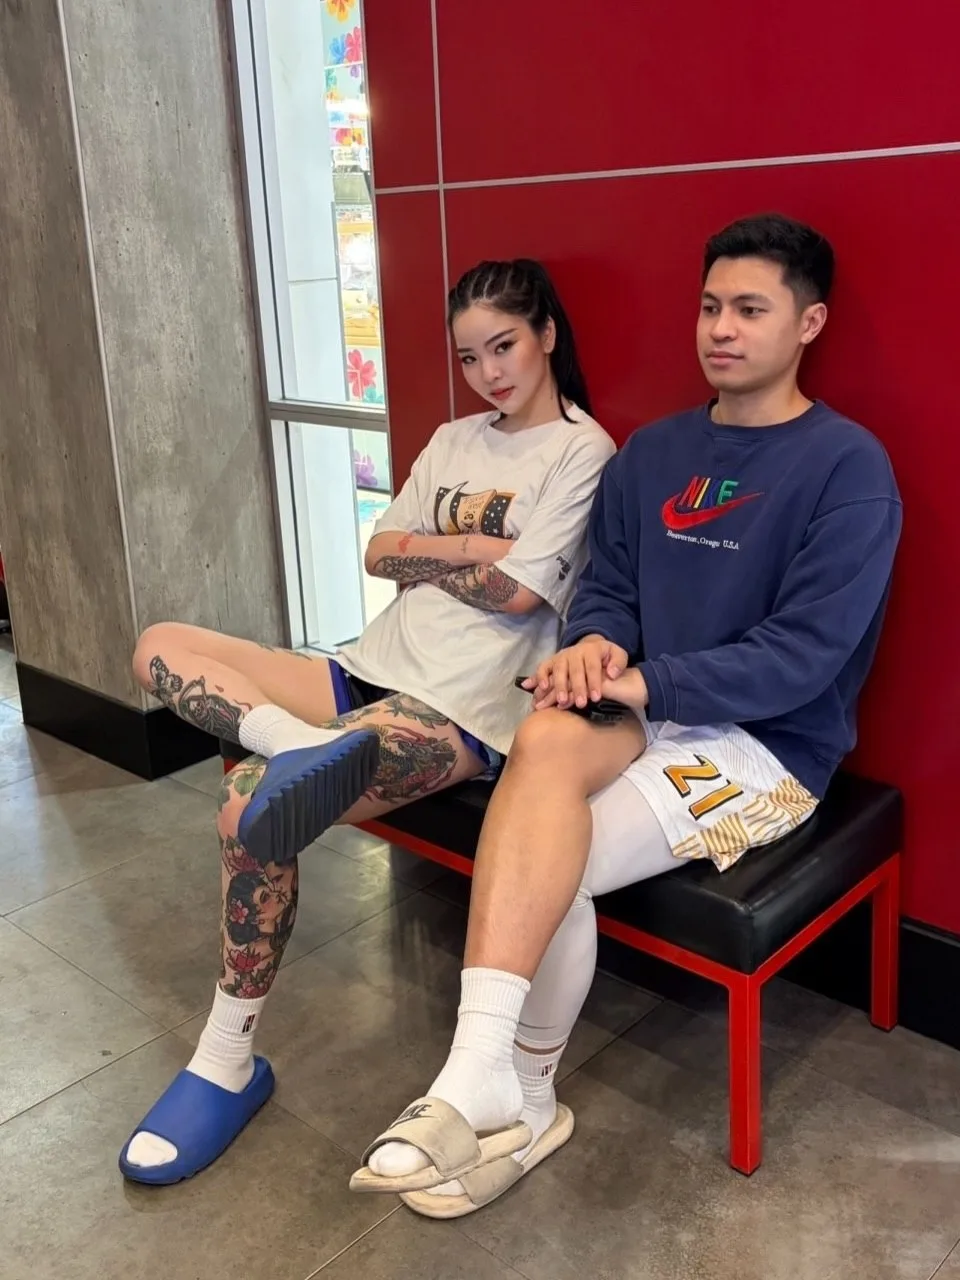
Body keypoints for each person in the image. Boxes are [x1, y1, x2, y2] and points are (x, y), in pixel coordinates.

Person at [353, 214, 902, 1218]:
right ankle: (488, 1078)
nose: (720, 328)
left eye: (750, 309)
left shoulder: (848, 467)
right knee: (544, 741)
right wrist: (597, 644)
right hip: (646, 701)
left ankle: (519, 1097)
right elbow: (608, 586)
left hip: (766, 749)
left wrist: (644, 683)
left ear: (808, 322)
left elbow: (804, 657)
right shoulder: (654, 452)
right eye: (710, 305)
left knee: (551, 860)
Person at [118, 259, 616, 1184]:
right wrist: (478, 545)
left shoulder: (582, 452)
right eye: (469, 358)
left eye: (504, 346)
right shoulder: (454, 436)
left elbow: (516, 597)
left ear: (547, 334)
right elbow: (379, 553)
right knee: (157, 645)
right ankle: (293, 740)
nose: (489, 373)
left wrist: (433, 552)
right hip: (362, 671)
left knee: (248, 807)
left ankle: (224, 1059)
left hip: (461, 709)